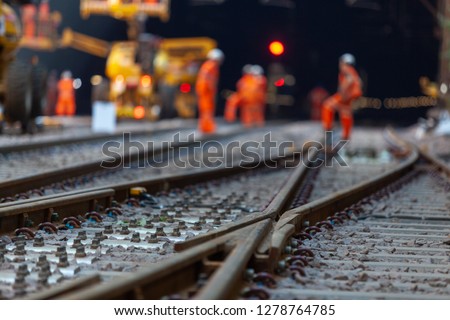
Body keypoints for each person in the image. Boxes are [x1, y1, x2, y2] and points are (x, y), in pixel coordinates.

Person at [321, 53, 362, 140]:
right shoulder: (353, 71)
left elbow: (350, 80)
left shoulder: (346, 69)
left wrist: (342, 90)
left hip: (346, 95)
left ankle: (328, 128)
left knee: (327, 106)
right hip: (351, 96)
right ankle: (346, 135)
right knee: (345, 113)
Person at [195, 48, 224, 133]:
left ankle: (205, 126)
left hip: (205, 90)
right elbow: (209, 80)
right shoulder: (211, 66)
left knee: (205, 109)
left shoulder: (208, 65)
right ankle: (207, 127)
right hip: (206, 91)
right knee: (207, 109)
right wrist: (211, 91)